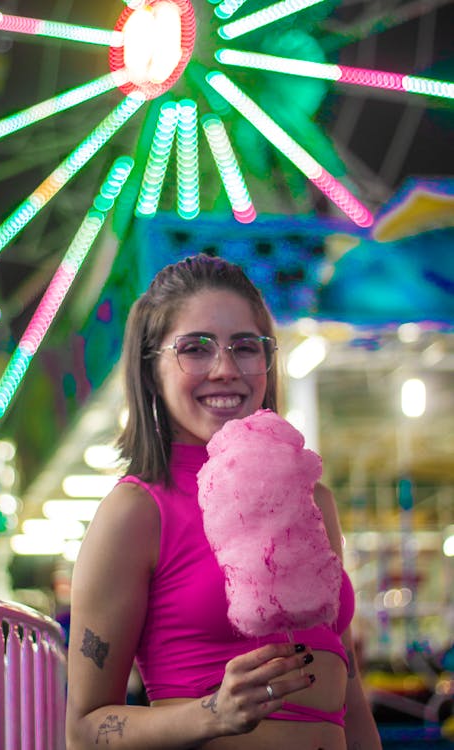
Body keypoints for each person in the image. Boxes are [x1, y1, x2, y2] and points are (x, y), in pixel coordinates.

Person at [66, 254, 382, 749]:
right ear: (152, 368)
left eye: (245, 347)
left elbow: (350, 690)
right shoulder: (136, 512)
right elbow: (84, 731)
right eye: (195, 348)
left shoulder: (313, 499)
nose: (226, 369)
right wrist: (213, 713)